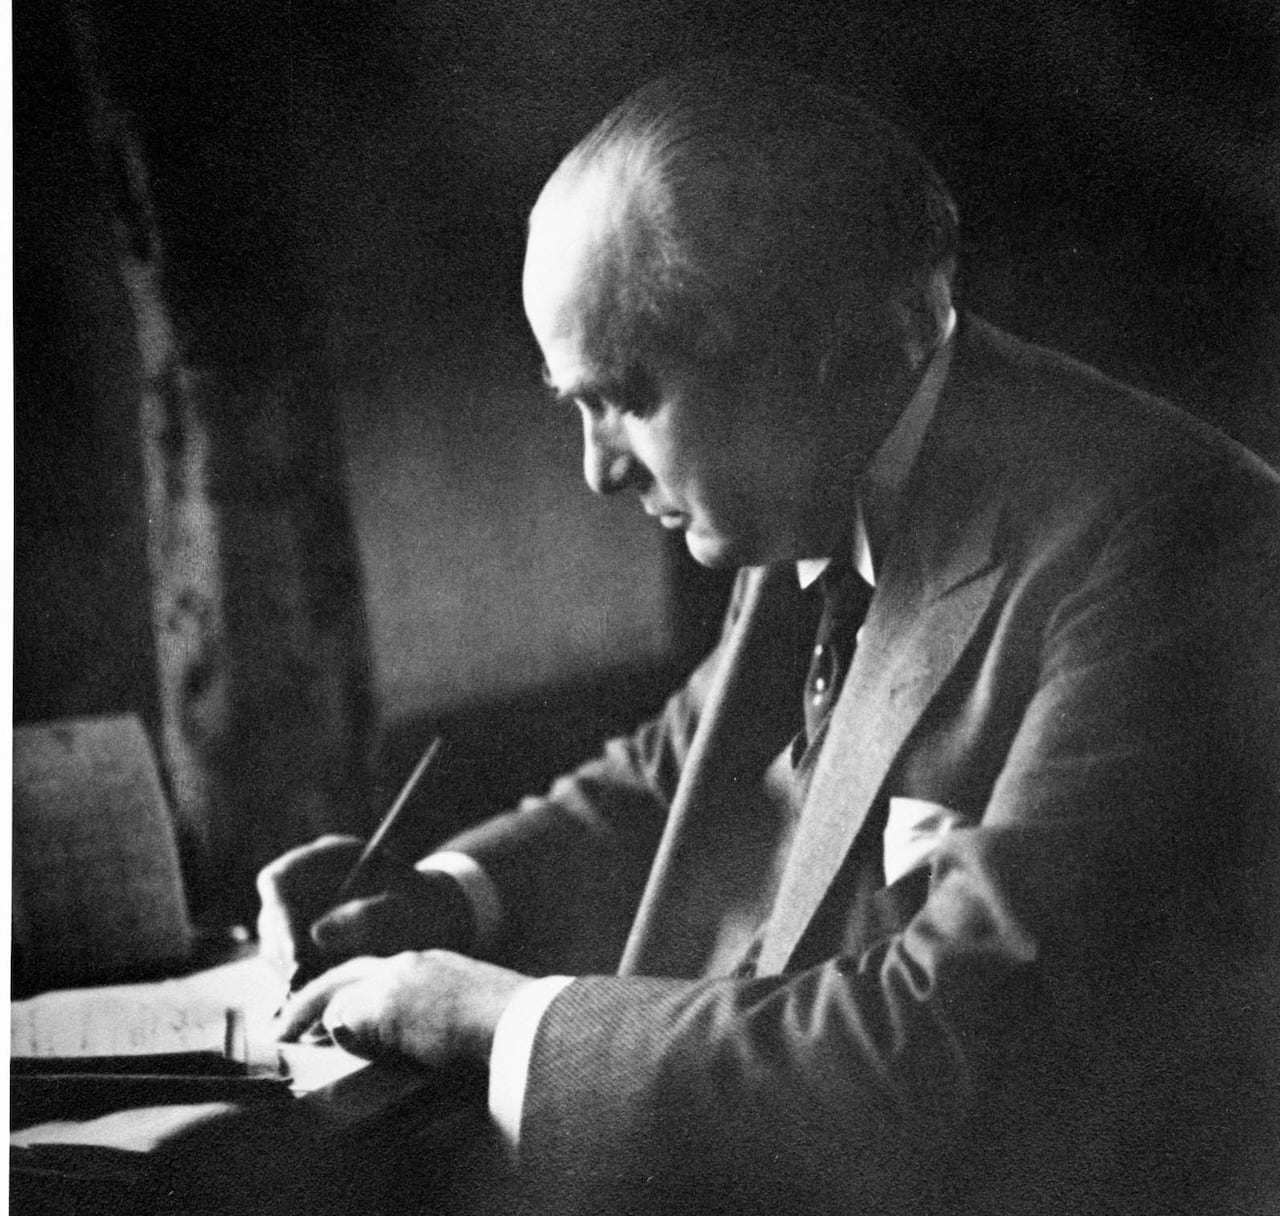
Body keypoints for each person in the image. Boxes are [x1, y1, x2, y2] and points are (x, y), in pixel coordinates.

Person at [261, 61, 1280, 1215]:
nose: (595, 472)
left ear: (813, 348)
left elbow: (943, 1047)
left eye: (625, 397)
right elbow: (675, 771)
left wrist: (492, 1018)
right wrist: (448, 896)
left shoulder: (1171, 542)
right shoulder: (817, 480)